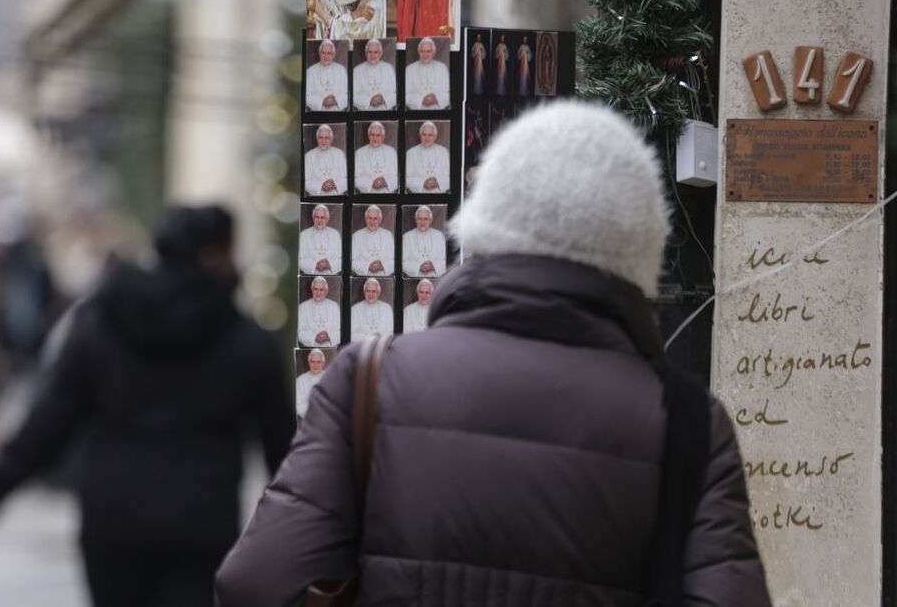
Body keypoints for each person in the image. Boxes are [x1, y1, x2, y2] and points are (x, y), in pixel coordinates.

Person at [214, 101, 772, 606]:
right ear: (638, 252)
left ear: (479, 230)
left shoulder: (368, 382)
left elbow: (255, 583)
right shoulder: (690, 423)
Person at [0, 206, 294, 607]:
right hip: (200, 524)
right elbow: (281, 446)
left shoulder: (100, 322)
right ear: (217, 255)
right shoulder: (247, 341)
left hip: (113, 520)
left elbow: (49, 423)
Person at [405, 37, 450, 110]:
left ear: (434, 53)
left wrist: (436, 99)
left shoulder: (442, 67)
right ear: (418, 52)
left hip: (439, 112)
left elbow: (450, 93)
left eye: (428, 51)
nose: (425, 55)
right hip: (417, 112)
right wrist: (421, 100)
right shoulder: (409, 69)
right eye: (422, 51)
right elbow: (405, 95)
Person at [401, 205, 446, 277]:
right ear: (415, 220)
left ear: (430, 220)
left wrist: (434, 266)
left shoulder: (439, 235)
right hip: (415, 278)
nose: (422, 222)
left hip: (436, 277)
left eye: (425, 219)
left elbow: (446, 259)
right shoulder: (407, 237)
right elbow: (402, 262)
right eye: (420, 219)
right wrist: (418, 267)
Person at [405, 121, 450, 193]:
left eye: (430, 135)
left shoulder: (443, 151)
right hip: (418, 195)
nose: (427, 138)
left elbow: (451, 177)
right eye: (424, 135)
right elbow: (405, 178)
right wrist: (422, 183)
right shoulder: (411, 153)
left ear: (435, 136)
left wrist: (437, 182)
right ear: (420, 135)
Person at [352, 39, 397, 111]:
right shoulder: (357, 70)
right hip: (365, 114)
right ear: (366, 53)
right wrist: (368, 100)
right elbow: (353, 96)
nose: (372, 55)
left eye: (375, 52)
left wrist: (384, 100)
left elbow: (396, 93)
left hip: (386, 113)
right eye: (370, 52)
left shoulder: (389, 68)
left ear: (380, 53)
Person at [354, 121, 398, 192]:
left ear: (383, 137)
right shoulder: (359, 153)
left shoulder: (391, 152)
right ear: (368, 135)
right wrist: (370, 183)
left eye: (378, 135)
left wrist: (386, 182)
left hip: (388, 193)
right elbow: (355, 178)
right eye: (372, 135)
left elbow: (398, 176)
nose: (375, 139)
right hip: (367, 193)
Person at [304, 124, 348, 196]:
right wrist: (320, 186)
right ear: (317, 139)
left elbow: (347, 178)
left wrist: (335, 184)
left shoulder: (339, 154)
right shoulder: (308, 156)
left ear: (331, 139)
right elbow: (304, 182)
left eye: (326, 138)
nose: (323, 141)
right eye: (320, 138)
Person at [298, 204, 342, 275]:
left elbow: (342, 258)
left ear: (327, 219)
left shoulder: (335, 234)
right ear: (313, 218)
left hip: (330, 274)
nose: (319, 220)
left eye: (322, 217)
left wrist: (329, 265)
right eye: (317, 217)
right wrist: (314, 265)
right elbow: (299, 259)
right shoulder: (304, 234)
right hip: (311, 274)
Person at [297, 276, 341, 347]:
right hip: (310, 345)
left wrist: (328, 336)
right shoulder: (303, 307)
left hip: (329, 346)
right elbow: (299, 332)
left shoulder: (334, 306)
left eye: (321, 290)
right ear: (312, 290)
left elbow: (339, 330)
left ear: (326, 291)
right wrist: (314, 337)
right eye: (316, 289)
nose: (318, 293)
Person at [351, 205, 395, 276]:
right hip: (364, 276)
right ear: (365, 219)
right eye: (369, 218)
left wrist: (382, 266)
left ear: (380, 220)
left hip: (384, 277)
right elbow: (352, 262)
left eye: (375, 218)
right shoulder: (356, 236)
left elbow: (395, 260)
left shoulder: (388, 235)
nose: (372, 222)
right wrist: (367, 266)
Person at [305, 40, 348, 111]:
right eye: (323, 53)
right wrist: (321, 101)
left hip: (338, 113)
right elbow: (306, 97)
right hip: (318, 114)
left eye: (329, 53)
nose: (326, 56)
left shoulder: (341, 70)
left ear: (333, 55)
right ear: (319, 54)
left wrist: (335, 100)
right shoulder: (310, 71)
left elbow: (347, 94)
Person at [349, 278, 393, 342]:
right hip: (362, 347)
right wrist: (369, 337)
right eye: (368, 291)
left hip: (382, 345)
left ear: (378, 293)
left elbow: (392, 332)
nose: (370, 295)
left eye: (374, 291)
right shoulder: (355, 309)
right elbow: (351, 335)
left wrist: (380, 338)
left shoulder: (387, 308)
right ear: (364, 292)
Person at [295, 349, 327, 418]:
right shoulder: (300, 380)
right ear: (309, 362)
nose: (315, 365)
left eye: (319, 362)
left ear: (323, 363)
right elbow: (297, 404)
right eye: (313, 362)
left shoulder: (330, 378)